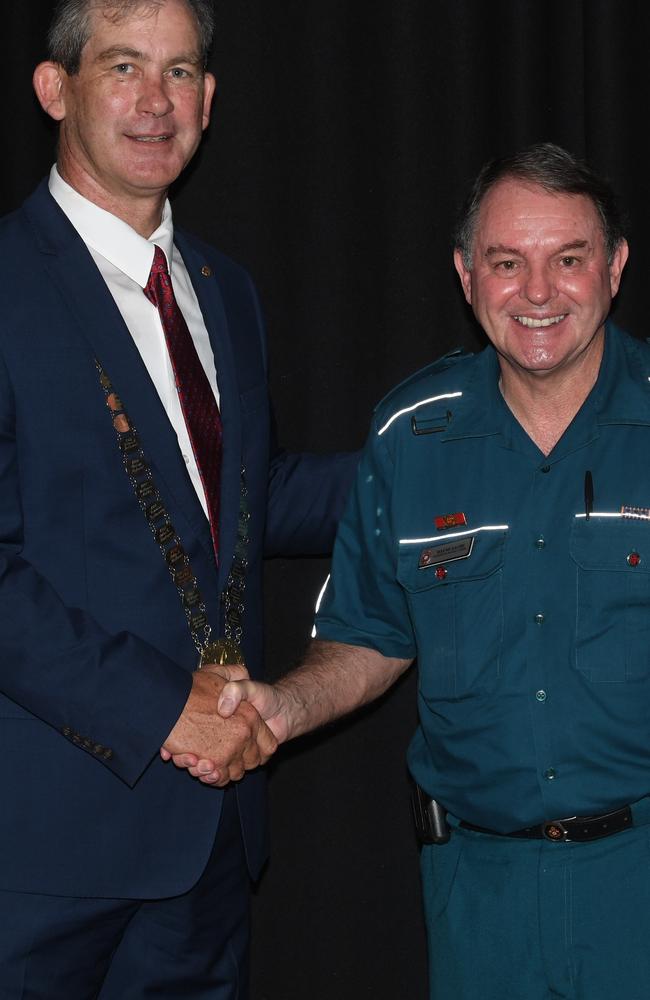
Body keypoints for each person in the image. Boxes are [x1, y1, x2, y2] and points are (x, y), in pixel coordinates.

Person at [179, 142, 650, 997]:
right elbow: (370, 632)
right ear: (466, 275)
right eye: (508, 263)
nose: (538, 293)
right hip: (480, 896)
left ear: (615, 267)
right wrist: (281, 707)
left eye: (568, 260)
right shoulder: (410, 433)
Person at [0, 0, 356, 996]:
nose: (157, 102)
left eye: (182, 71)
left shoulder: (224, 289)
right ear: (53, 87)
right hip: (41, 858)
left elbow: (243, 504)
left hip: (208, 850)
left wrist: (443, 467)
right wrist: (160, 709)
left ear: (211, 96)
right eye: (124, 67)